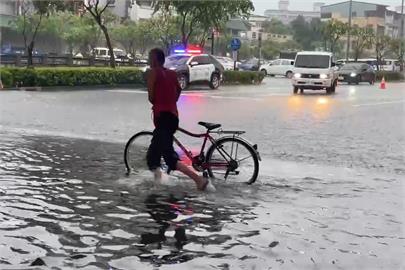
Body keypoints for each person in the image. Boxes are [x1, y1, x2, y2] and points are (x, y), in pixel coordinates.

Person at [146, 48, 215, 192]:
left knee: (167, 157)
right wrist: (170, 101)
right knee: (156, 151)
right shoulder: (172, 73)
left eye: (150, 57)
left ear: (155, 60)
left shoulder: (153, 73)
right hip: (172, 116)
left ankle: (199, 180)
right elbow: (178, 91)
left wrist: (159, 102)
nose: (148, 60)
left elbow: (151, 97)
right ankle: (158, 182)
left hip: (162, 118)